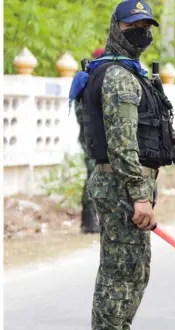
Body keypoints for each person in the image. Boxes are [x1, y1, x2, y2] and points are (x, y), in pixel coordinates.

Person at [70, 1, 175, 330]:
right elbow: (123, 145)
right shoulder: (118, 77)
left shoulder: (132, 73)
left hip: (129, 183)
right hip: (121, 185)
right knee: (119, 272)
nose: (143, 33)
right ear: (116, 28)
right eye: (133, 26)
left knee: (134, 270)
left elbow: (149, 128)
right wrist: (140, 196)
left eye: (147, 26)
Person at [75, 47, 106, 234]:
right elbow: (82, 114)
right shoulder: (87, 83)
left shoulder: (97, 82)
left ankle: (95, 220)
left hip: (97, 138)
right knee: (93, 176)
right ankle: (88, 221)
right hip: (90, 139)